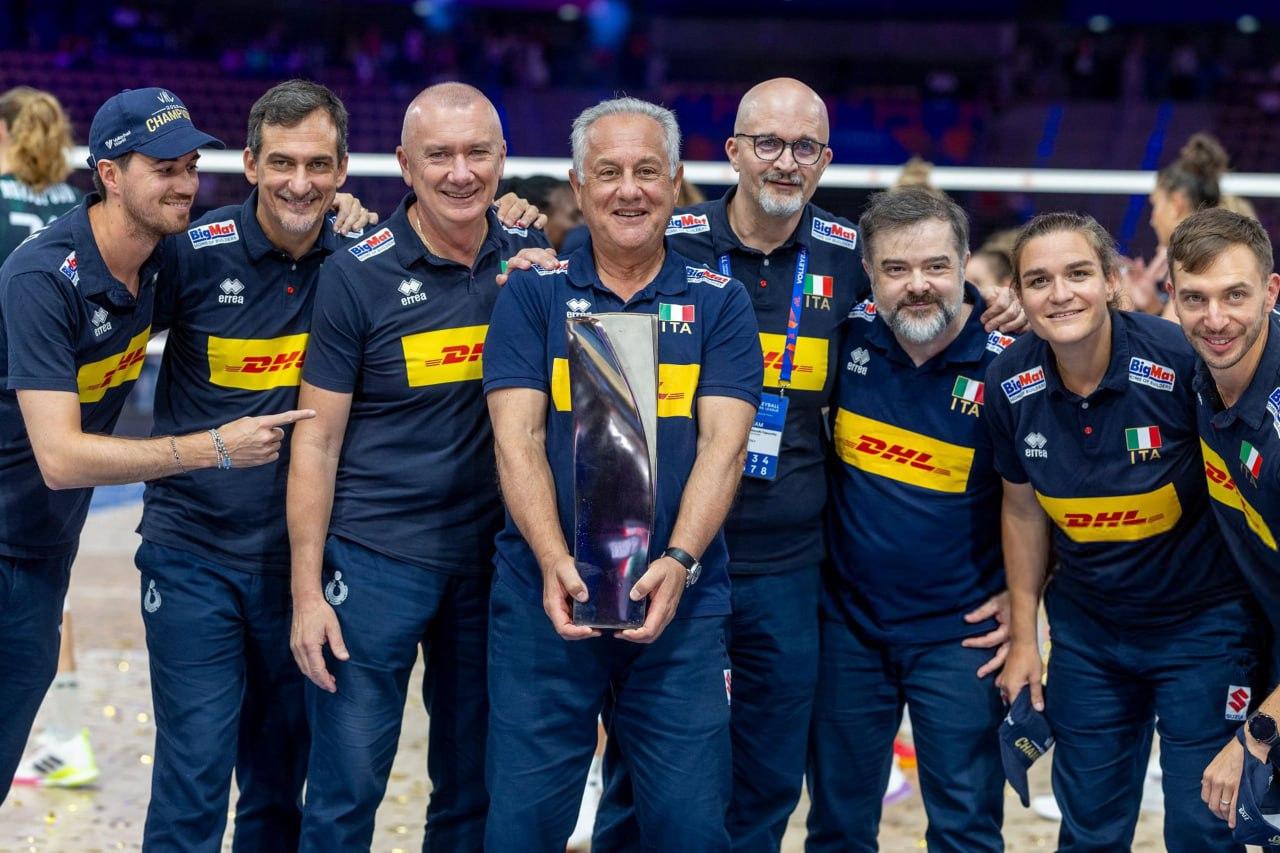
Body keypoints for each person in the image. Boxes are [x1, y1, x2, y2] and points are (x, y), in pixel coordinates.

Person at [586, 77, 1020, 853]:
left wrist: (996, 304)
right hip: (671, 554)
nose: (785, 161)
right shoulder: (669, 238)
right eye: (768, 143)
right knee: (644, 762)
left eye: (804, 147)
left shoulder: (850, 254)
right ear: (733, 152)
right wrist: (521, 237)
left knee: (769, 772)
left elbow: (928, 295)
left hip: (792, 566)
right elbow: (574, 281)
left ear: (824, 159)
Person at [0, 87, 299, 807]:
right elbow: (62, 459)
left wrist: (344, 212)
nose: (186, 184)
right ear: (109, 174)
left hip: (39, 548)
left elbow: (273, 233)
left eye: (190, 166)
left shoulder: (167, 260)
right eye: (164, 169)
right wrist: (211, 448)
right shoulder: (42, 278)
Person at [481, 96, 762, 851]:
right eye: (608, 172)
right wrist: (552, 560)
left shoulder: (721, 303)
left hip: (680, 605)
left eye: (647, 171)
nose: (628, 190)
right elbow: (517, 439)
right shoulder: (532, 293)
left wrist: (680, 560)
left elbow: (725, 448)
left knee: (691, 830)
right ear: (579, 185)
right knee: (521, 829)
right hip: (544, 600)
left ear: (675, 182)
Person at [286, 82, 548, 851]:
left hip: (491, 566)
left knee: (471, 791)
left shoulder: (534, 262)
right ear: (404, 164)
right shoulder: (356, 272)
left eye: (477, 153)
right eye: (439, 155)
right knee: (344, 795)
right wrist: (307, 591)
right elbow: (316, 441)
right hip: (374, 565)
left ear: (502, 158)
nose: (460, 173)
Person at [133, 80, 376, 851]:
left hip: (305, 567)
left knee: (278, 789)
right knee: (193, 781)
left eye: (318, 164)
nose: (300, 183)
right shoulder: (190, 255)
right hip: (192, 554)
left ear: (342, 170)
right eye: (282, 162)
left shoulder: (364, 261)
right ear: (248, 163)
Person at [991, 212, 1261, 852]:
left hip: (1203, 630)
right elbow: (1022, 509)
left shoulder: (1181, 362)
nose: (1061, 294)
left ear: (1112, 281)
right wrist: (1026, 638)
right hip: (1089, 637)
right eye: (1039, 281)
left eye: (1078, 273)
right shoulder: (1009, 382)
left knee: (1202, 828)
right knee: (1089, 830)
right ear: (1019, 295)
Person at [807, 187, 1009, 851]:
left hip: (962, 637)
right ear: (868, 271)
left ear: (965, 263)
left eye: (935, 266)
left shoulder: (1012, 364)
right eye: (896, 268)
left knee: (965, 829)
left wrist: (1029, 592)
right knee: (837, 827)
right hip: (849, 630)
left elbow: (1049, 495)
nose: (917, 284)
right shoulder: (844, 338)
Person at [1163, 208, 1280, 828]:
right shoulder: (1196, 368)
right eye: (1195, 298)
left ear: (1271, 291)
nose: (1215, 319)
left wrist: (1257, 736)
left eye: (1235, 295)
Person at [0, 86, 98, 791]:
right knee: (45, 589)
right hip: (68, 404)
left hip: (10, 410)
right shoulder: (75, 209)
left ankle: (64, 739)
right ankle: (64, 736)